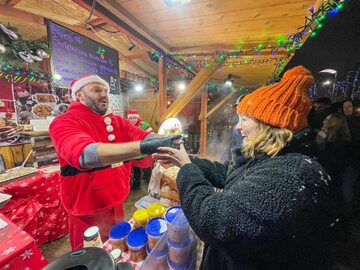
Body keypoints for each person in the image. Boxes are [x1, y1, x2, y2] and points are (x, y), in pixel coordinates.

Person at [153, 66, 338, 270]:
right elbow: (231, 175)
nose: (238, 127)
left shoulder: (292, 175)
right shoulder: (274, 156)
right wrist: (186, 159)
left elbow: (213, 220)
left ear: (270, 123)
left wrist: (187, 168)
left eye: (244, 119)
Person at [49, 75, 181, 250]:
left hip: (117, 198)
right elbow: (84, 155)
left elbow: (144, 136)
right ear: (79, 95)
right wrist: (144, 147)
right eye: (97, 90)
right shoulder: (64, 122)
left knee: (117, 247)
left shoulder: (119, 122)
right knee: (91, 255)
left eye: (105, 91)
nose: (104, 94)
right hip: (87, 206)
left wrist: (167, 140)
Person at [127, 109, 154, 189]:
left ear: (137, 117)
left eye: (134, 118)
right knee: (136, 171)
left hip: (144, 152)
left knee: (147, 171)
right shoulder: (127, 125)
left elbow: (151, 135)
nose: (132, 120)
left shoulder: (144, 125)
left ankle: (151, 185)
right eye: (130, 118)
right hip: (134, 153)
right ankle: (136, 185)